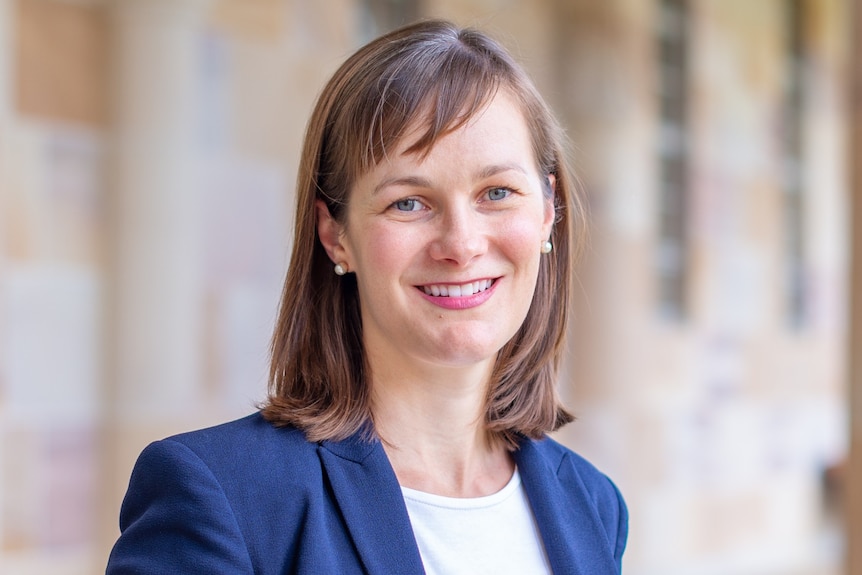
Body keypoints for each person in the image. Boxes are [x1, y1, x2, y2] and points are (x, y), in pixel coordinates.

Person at [106, 19, 627, 575]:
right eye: (408, 202)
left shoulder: (592, 505)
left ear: (547, 211)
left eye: (497, 193)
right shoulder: (223, 498)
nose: (461, 244)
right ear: (336, 235)